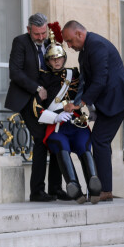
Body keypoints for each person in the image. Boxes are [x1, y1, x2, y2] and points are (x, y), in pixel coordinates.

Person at [62, 20, 124, 202]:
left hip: (118, 98)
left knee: (99, 140)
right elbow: (84, 81)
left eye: (70, 41)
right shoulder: (85, 50)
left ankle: (105, 190)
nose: (69, 46)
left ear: (80, 34)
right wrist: (76, 102)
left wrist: (79, 103)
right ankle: (105, 189)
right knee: (100, 141)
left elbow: (99, 80)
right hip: (109, 100)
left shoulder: (96, 46)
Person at [4, 13, 68, 202]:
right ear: (28, 30)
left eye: (43, 33)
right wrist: (37, 88)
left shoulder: (50, 41)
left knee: (55, 138)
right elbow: (14, 72)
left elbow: (57, 65)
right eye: (37, 34)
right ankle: (37, 191)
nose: (41, 38)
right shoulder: (20, 42)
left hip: (50, 99)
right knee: (41, 139)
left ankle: (56, 188)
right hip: (28, 98)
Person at [34, 26, 101, 204]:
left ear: (64, 57)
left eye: (59, 58)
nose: (57, 62)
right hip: (56, 126)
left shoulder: (74, 74)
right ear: (47, 61)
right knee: (61, 146)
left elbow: (85, 91)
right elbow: (36, 107)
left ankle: (93, 182)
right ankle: (73, 186)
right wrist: (54, 117)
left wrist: (92, 110)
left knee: (83, 146)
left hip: (76, 122)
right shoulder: (42, 79)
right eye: (53, 59)